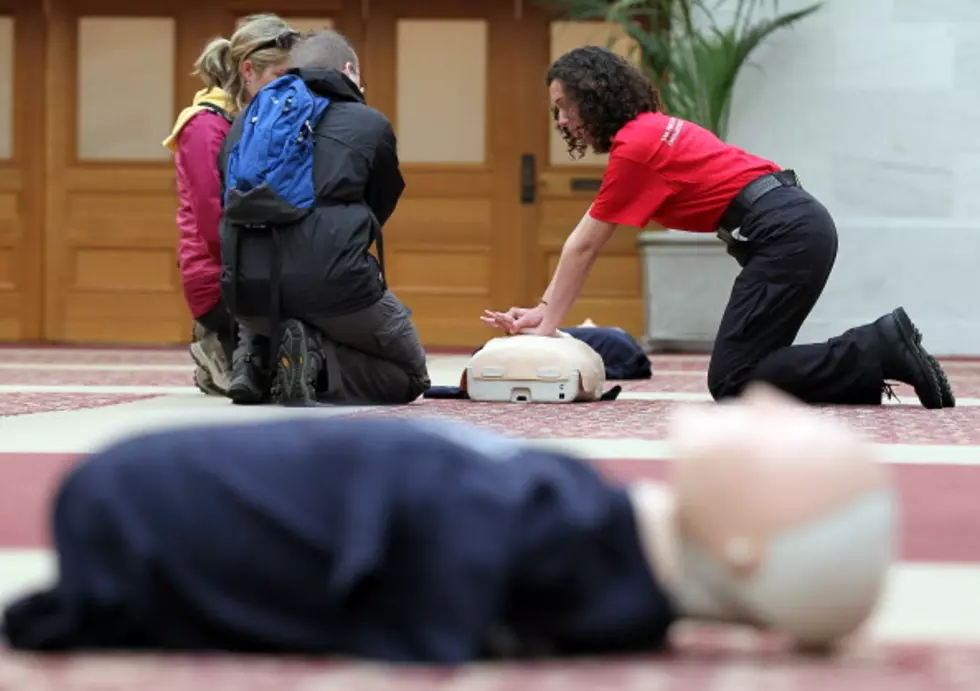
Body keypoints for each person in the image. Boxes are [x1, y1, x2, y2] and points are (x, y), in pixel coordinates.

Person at [0, 384, 893, 661]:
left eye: (789, 442)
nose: (772, 403)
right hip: (145, 506)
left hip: (143, 508)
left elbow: (432, 588)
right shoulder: (573, 525)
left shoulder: (544, 533)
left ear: (744, 547)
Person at [482, 46, 955, 410]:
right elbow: (586, 237)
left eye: (565, 106)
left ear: (593, 96)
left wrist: (546, 319)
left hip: (784, 233)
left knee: (733, 379)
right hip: (793, 224)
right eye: (555, 111)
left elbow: (584, 244)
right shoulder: (653, 127)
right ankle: (879, 351)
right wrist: (545, 313)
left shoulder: (636, 148)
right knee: (750, 370)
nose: (561, 120)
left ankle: (878, 345)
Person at [218, 29, 430, 406]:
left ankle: (259, 360)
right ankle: (313, 360)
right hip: (334, 287)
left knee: (289, 310)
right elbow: (380, 203)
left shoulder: (243, 124)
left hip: (248, 294)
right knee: (410, 374)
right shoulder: (368, 123)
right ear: (348, 70)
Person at [163, 14, 298, 398]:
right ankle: (213, 341)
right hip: (220, 274)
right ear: (248, 69)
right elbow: (212, 224)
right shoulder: (205, 126)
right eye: (281, 75)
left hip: (257, 261)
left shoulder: (258, 117)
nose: (290, 89)